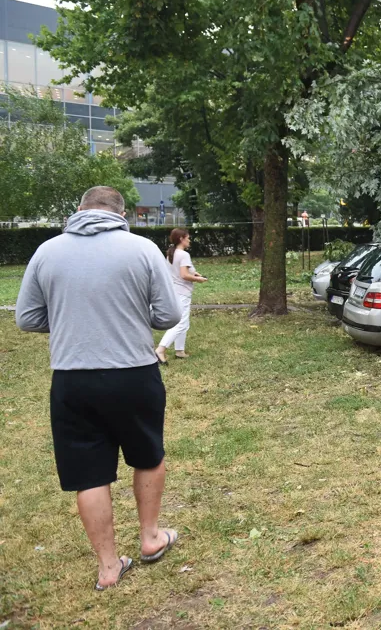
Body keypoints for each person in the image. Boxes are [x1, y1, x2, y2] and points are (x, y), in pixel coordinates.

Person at [15, 186, 183, 591]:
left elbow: (27, 318)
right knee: (147, 455)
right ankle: (150, 538)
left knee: (88, 473)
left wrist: (74, 320)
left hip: (72, 378)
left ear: (78, 211)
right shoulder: (141, 249)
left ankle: (109, 568)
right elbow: (169, 314)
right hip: (133, 373)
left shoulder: (47, 251)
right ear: (123, 215)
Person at [155, 229, 207, 363]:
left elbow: (178, 272)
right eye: (188, 238)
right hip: (182, 292)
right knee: (181, 324)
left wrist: (194, 274)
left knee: (183, 322)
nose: (189, 240)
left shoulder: (171, 254)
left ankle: (180, 351)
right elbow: (184, 275)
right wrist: (198, 279)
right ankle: (160, 350)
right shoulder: (184, 255)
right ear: (181, 239)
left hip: (174, 291)